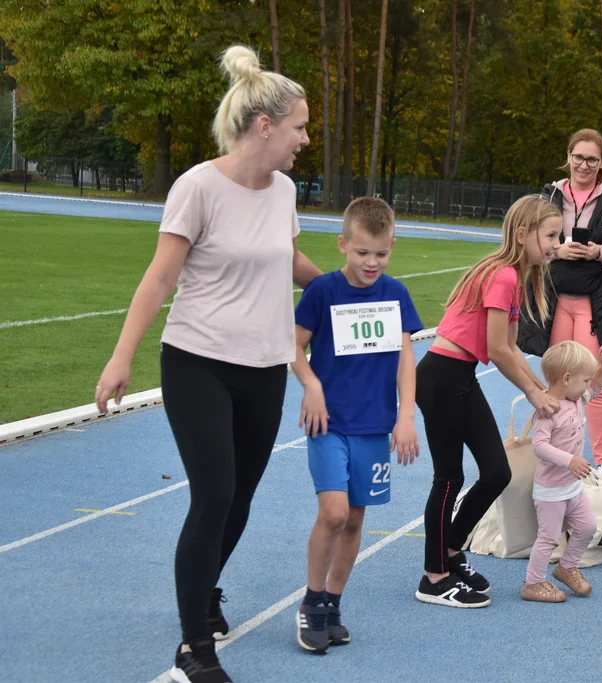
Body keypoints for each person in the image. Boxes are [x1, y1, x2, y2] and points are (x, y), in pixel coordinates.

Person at [93, 46, 322, 683]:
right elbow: (159, 277)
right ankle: (194, 645)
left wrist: (347, 289)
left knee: (240, 500)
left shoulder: (282, 192)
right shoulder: (197, 186)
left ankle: (204, 591)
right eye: (300, 126)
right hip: (197, 361)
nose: (306, 139)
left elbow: (292, 266)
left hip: (263, 365)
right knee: (214, 493)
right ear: (265, 125)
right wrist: (120, 358)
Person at [414, 194, 562, 607]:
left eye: (558, 235)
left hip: (459, 377)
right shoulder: (503, 276)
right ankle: (433, 577)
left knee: (496, 472)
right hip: (441, 377)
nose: (555, 243)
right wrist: (534, 393)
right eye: (550, 235)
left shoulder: (515, 277)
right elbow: (496, 350)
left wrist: (543, 390)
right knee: (449, 478)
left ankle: (450, 549)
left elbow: (512, 349)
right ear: (522, 234)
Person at [290, 197, 421, 653]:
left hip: (374, 427)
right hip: (328, 422)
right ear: (343, 244)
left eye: (381, 254)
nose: (371, 262)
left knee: (355, 519)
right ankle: (310, 602)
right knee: (334, 513)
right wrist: (311, 385)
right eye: (362, 252)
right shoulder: (322, 291)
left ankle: (332, 604)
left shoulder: (396, 294)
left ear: (392, 248)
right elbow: (292, 347)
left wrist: (406, 416)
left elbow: (406, 358)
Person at [517, 129, 602, 485]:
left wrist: (598, 252)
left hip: (595, 300)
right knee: (556, 380)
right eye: (578, 157)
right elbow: (531, 237)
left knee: (595, 382)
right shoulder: (549, 195)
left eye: (592, 159)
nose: (584, 165)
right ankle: (558, 454)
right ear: (568, 156)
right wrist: (558, 250)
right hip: (555, 297)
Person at [522, 340, 602, 603]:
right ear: (567, 378)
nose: (587, 386)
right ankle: (533, 583)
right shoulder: (547, 410)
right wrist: (570, 460)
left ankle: (567, 567)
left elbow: (596, 386)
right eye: (583, 380)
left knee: (587, 526)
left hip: (571, 487)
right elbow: (539, 446)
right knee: (548, 538)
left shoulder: (577, 398)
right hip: (550, 491)